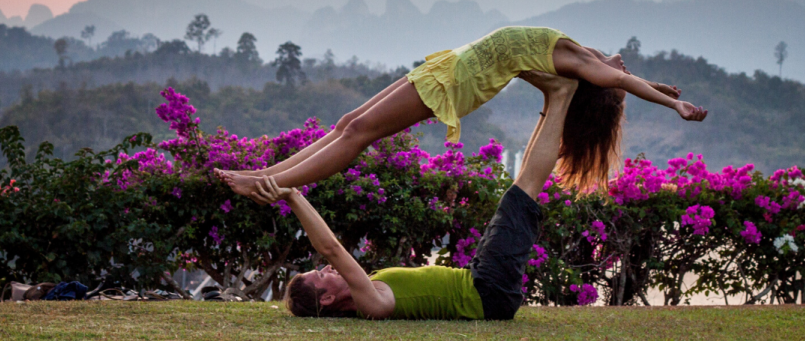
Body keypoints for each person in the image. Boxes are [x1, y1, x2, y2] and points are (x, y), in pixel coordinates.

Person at [255, 72, 611, 319]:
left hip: (481, 282)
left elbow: (331, 254)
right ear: (328, 298)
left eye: (319, 269)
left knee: (518, 192)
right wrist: (292, 194)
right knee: (523, 193)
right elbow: (331, 247)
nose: (325, 268)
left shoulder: (371, 292)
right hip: (488, 293)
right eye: (320, 275)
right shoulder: (370, 304)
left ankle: (555, 97)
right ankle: (561, 95)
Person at [217, 26, 707, 204]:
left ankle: (272, 186)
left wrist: (673, 104)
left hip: (457, 83)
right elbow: (627, 78)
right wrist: (661, 87)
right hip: (451, 66)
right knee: (349, 121)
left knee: (359, 133)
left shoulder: (590, 69)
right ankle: (264, 175)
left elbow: (621, 81)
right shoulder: (585, 56)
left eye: (622, 74)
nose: (624, 65)